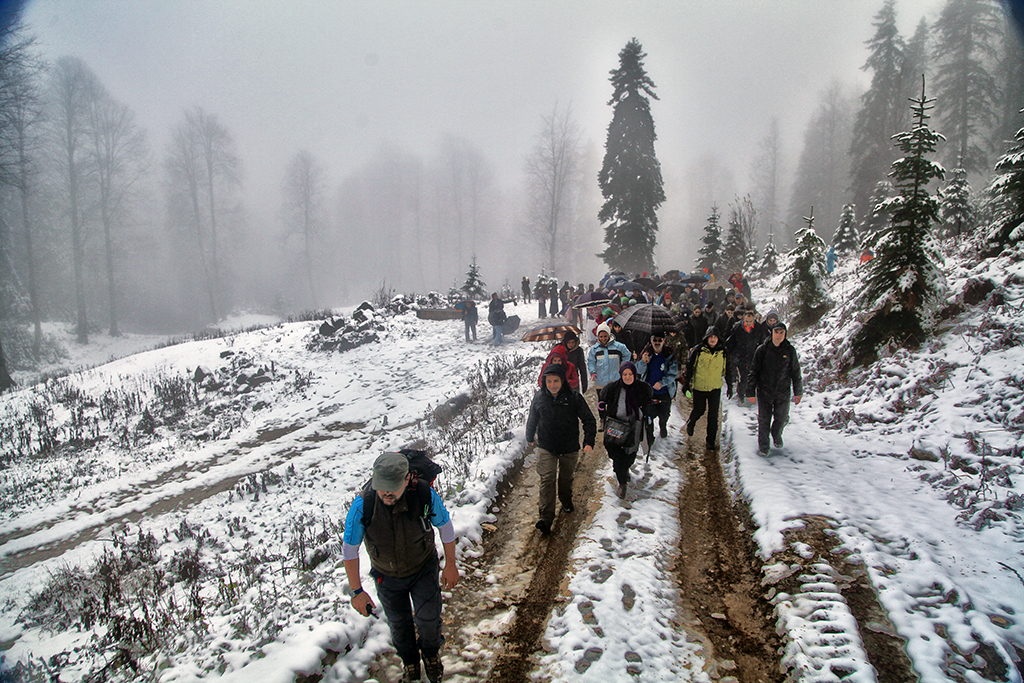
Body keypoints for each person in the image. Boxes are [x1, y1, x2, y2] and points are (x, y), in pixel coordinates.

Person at [343, 452, 460, 683]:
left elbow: (445, 527)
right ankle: (410, 663)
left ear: (407, 480)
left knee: (428, 620)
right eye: (382, 487)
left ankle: (430, 655)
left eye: (393, 487)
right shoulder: (363, 504)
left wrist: (451, 565)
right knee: (399, 626)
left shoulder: (424, 494)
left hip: (422, 568)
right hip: (386, 577)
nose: (387, 492)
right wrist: (356, 592)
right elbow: (349, 549)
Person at [525, 363, 596, 534]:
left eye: (556, 381)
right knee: (547, 479)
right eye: (549, 381)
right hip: (546, 446)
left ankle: (566, 500)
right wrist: (529, 436)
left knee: (565, 479)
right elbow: (533, 417)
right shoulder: (540, 397)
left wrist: (589, 441)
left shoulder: (574, 398)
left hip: (569, 447)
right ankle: (546, 517)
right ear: (544, 382)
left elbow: (589, 420)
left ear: (563, 381)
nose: (552, 385)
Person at [747, 322, 803, 456]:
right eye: (776, 332)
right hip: (764, 390)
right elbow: (754, 371)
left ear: (785, 334)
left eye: (781, 333)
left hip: (783, 391)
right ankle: (764, 446)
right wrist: (750, 391)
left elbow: (796, 372)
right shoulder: (762, 350)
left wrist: (798, 392)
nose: (778, 335)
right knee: (764, 419)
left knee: (782, 417)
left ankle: (776, 433)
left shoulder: (790, 351)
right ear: (771, 333)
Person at [598, 361, 653, 499]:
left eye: (630, 374)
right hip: (616, 426)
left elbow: (648, 402)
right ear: (620, 375)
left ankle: (624, 469)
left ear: (634, 375)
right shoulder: (612, 388)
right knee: (616, 455)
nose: (627, 377)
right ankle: (622, 482)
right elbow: (601, 403)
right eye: (625, 374)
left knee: (630, 455)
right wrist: (603, 417)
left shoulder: (642, 388)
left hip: (634, 427)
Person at [682, 329, 727, 451]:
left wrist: (730, 386)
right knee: (699, 410)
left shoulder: (723, 351)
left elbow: (727, 368)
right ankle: (691, 422)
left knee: (713, 415)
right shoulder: (698, 351)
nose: (713, 339)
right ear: (706, 338)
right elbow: (690, 367)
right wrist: (686, 384)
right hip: (700, 387)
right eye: (710, 337)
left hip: (715, 387)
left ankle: (710, 441)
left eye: (715, 337)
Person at [636, 334, 678, 442]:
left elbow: (673, 373)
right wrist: (643, 361)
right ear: (651, 340)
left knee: (664, 415)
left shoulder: (669, 354)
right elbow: (639, 371)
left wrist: (662, 383)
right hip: (650, 393)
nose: (657, 342)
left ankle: (663, 425)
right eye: (655, 340)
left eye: (660, 340)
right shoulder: (646, 352)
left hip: (664, 392)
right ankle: (650, 437)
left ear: (664, 340)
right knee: (649, 416)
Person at [726, 309, 760, 404]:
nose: (748, 323)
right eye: (747, 321)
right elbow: (731, 341)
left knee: (752, 377)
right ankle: (741, 395)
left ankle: (750, 393)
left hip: (753, 356)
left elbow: (762, 342)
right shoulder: (737, 327)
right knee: (744, 377)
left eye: (750, 321)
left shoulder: (758, 328)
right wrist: (731, 355)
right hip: (740, 356)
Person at [588, 323, 630, 396]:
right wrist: (593, 372)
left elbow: (627, 355)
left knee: (614, 403)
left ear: (609, 335)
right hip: (600, 382)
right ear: (598, 336)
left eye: (605, 336)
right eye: (601, 337)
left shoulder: (619, 347)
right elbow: (591, 362)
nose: (603, 339)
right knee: (601, 404)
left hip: (615, 380)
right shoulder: (594, 350)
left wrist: (623, 367)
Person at [558, 329, 589, 394]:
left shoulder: (578, 351)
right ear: (566, 342)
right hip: (560, 379)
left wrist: (584, 387)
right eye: (569, 342)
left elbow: (582, 368)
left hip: (573, 379)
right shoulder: (559, 349)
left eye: (573, 342)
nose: (571, 345)